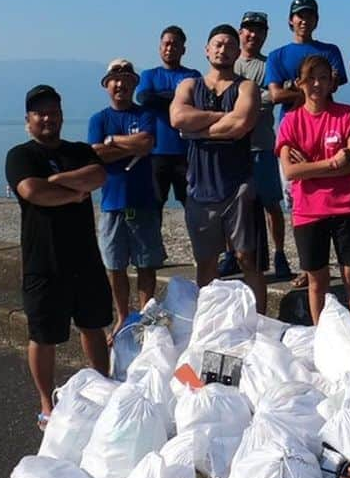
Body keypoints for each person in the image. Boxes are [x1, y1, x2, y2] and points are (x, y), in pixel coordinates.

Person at [5, 85, 111, 426]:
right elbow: (33, 192)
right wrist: (72, 193)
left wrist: (57, 180)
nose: (48, 118)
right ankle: (46, 406)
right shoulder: (20, 156)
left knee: (93, 325)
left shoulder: (79, 150)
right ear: (28, 120)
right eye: (40, 113)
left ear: (62, 116)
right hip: (43, 262)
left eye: (54, 111)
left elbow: (97, 176)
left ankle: (103, 388)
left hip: (85, 258)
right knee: (42, 335)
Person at [169, 25, 265, 311]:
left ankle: (258, 323)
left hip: (238, 185)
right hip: (199, 187)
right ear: (207, 49)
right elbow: (177, 118)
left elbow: (241, 123)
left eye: (229, 45)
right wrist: (220, 118)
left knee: (249, 258)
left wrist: (197, 130)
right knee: (206, 261)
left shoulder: (246, 87)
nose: (223, 49)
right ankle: (206, 322)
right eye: (218, 44)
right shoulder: (189, 85)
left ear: (238, 52)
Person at [276, 53, 350, 329]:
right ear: (300, 83)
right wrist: (331, 163)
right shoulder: (291, 121)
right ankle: (321, 338)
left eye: (324, 78)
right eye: (311, 78)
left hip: (346, 208)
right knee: (317, 281)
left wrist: (311, 167)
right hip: (308, 212)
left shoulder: (346, 114)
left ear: (332, 83)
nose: (317, 84)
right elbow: (291, 171)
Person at [87, 59, 162, 340]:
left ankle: (145, 317)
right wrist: (124, 146)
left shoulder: (144, 115)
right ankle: (122, 316)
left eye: (126, 79)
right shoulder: (99, 119)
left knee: (146, 263)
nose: (120, 84)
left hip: (143, 201)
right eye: (114, 79)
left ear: (134, 84)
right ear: (107, 85)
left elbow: (146, 143)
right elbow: (95, 154)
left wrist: (111, 143)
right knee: (115, 266)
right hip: (111, 203)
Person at [234, 10, 291, 282]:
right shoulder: (229, 65)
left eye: (258, 30)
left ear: (265, 35)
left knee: (271, 204)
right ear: (240, 32)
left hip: (263, 146)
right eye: (248, 29)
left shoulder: (269, 66)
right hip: (232, 149)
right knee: (231, 205)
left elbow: (273, 98)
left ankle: (280, 254)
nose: (252, 34)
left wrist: (245, 101)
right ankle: (230, 255)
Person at [135, 27, 202, 222]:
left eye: (175, 44)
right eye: (166, 43)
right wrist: (179, 100)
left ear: (183, 49)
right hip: (156, 152)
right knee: (154, 204)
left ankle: (202, 247)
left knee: (192, 202)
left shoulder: (192, 74)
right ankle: (153, 248)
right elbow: (144, 98)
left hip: (186, 151)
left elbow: (196, 100)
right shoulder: (149, 74)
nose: (170, 48)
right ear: (159, 47)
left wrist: (162, 98)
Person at [264, 0, 349, 109]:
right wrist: (314, 92)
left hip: (326, 119)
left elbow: (333, 86)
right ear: (291, 20)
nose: (304, 21)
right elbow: (276, 95)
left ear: (316, 20)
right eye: (300, 16)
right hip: (291, 122)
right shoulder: (276, 56)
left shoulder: (330, 51)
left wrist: (293, 89)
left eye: (309, 16)